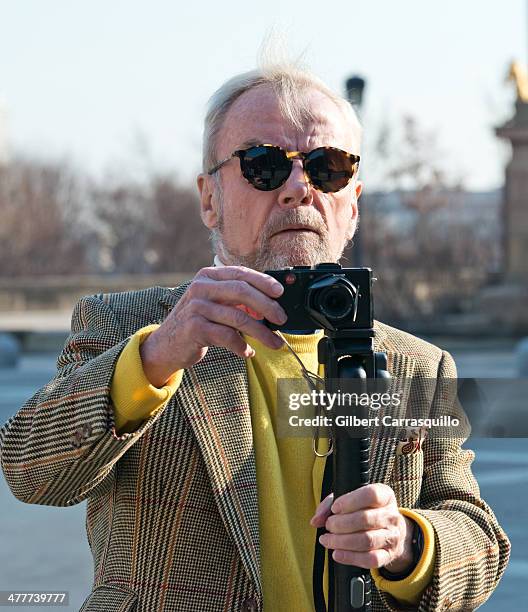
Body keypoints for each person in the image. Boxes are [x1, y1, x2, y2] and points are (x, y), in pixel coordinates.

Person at [0, 62, 510, 612]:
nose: (298, 188)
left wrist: (408, 544)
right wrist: (154, 358)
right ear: (209, 199)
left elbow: (477, 537)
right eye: (263, 164)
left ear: (353, 202)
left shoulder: (417, 364)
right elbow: (31, 472)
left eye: (328, 167)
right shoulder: (128, 328)